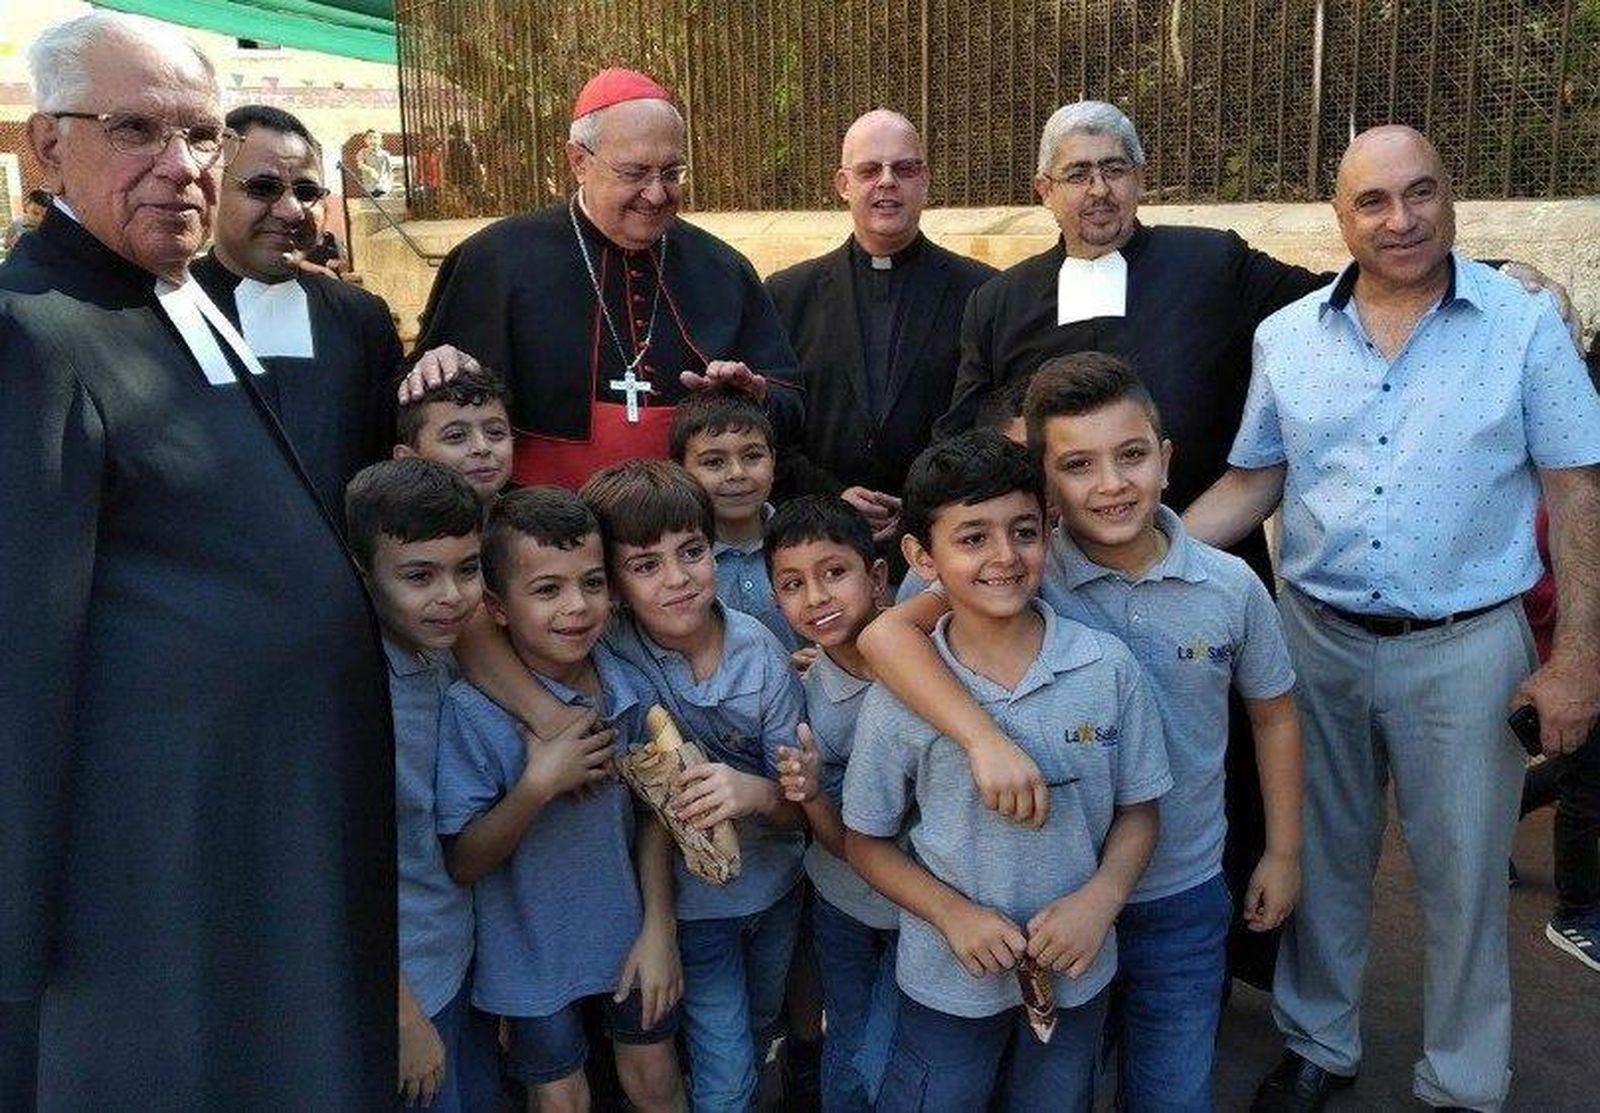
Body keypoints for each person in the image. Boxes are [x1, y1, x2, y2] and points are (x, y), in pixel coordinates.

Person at [0, 12, 394, 1107]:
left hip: (267, 819)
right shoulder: (34, 330)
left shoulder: (173, 295)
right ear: (48, 148)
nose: (182, 168)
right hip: (158, 864)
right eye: (137, 130)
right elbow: (19, 652)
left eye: (202, 134)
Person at [1184, 125, 1600, 1113]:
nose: (1399, 218)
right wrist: (1133, 560)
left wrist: (1578, 655)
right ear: (1340, 217)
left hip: (1468, 650)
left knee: (1461, 882)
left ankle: (1460, 1084)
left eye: (1419, 193)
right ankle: (1318, 1045)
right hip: (1314, 643)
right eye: (1372, 202)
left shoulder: (1522, 326)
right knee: (1322, 862)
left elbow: (1576, 491)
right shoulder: (1285, 337)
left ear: (1450, 197)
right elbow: (1251, 482)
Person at [861, 353, 1305, 1111]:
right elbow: (885, 640)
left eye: (1131, 455)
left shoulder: (1229, 586)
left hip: (1179, 884)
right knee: (1044, 1081)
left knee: (1170, 1086)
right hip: (1036, 894)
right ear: (1045, 480)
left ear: (1166, 461)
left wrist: (1285, 850)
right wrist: (983, 739)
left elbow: (1274, 715)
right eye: (1077, 463)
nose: (1110, 483)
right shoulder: (1019, 561)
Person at [843, 430, 1171, 1112]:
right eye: (971, 538)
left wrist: (1102, 900)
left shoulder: (1106, 667)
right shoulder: (903, 695)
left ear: (1048, 533)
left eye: (1023, 531)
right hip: (946, 978)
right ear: (919, 557)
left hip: (1077, 971)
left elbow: (1140, 810)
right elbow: (864, 840)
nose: (1003, 556)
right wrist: (951, 914)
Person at [410, 68, 800, 492]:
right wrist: (433, 366)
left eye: (671, 173)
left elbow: (790, 402)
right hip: (542, 535)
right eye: (635, 174)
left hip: (682, 535)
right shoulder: (494, 260)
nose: (656, 194)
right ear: (579, 161)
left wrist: (754, 398)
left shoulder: (722, 268)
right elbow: (422, 403)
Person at [435, 487, 684, 1113]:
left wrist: (659, 928)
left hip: (629, 933)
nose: (577, 607)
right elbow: (464, 860)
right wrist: (539, 784)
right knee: (560, 1098)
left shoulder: (625, 684)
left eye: (592, 583)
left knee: (655, 1080)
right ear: (495, 606)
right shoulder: (473, 713)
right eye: (547, 590)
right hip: (528, 959)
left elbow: (655, 813)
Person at [581, 460, 807, 1113]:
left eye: (692, 552)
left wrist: (756, 791)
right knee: (727, 1069)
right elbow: (643, 805)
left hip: (775, 889)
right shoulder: (613, 654)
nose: (679, 578)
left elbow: (802, 809)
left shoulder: (759, 651)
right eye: (646, 564)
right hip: (694, 910)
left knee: (761, 1026)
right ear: (615, 584)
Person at [345, 458, 501, 1112]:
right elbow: (344, 870)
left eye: (467, 569)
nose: (451, 595)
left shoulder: (440, 654)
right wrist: (402, 1015)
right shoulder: (357, 694)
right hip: (404, 991)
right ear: (362, 571)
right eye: (418, 575)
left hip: (454, 957)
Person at [766, 109, 995, 541]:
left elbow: (985, 421)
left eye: (904, 168)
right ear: (843, 185)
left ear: (924, 180)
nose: (887, 181)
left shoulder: (981, 292)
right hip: (820, 536)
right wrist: (831, 497)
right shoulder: (787, 295)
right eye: (870, 170)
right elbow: (771, 427)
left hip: (941, 533)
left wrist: (921, 500)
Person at [192, 104, 401, 513]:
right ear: (212, 189)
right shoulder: (160, 309)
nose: (291, 210)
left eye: (307, 192)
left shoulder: (362, 317)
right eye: (263, 188)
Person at [767, 495, 898, 1112]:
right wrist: (813, 792)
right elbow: (835, 841)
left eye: (834, 573)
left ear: (877, 577)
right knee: (847, 1040)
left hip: (925, 913)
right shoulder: (806, 692)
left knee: (897, 1050)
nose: (816, 597)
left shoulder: (935, 659)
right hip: (842, 899)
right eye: (793, 584)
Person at [671, 388, 800, 650]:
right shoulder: (676, 567)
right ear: (680, 470)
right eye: (714, 462)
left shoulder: (803, 541)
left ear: (773, 462)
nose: (737, 473)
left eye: (752, 457)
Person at [394, 362, 516, 505]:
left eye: (495, 432)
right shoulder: (389, 526)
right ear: (408, 460)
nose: (482, 448)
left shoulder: (531, 524)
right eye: (456, 436)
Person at [2, 187, 50, 252]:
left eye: (44, 216)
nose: (39, 219)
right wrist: (12, 243)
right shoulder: (16, 224)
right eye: (35, 213)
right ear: (26, 206)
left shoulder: (47, 228)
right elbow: (6, 245)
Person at [358, 127, 396, 196]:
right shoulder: (363, 152)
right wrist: (370, 169)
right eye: (370, 138)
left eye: (375, 138)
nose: (372, 140)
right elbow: (360, 164)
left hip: (382, 186)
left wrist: (390, 185)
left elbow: (390, 170)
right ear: (365, 140)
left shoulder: (385, 154)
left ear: (380, 140)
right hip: (369, 187)